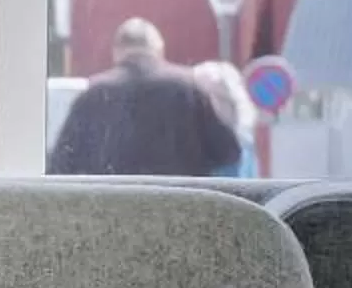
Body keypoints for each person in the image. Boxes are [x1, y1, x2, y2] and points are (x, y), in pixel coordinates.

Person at [46, 19, 245, 177]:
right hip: (180, 209)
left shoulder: (94, 94)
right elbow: (228, 153)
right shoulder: (189, 88)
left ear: (117, 53)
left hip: (113, 211)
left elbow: (62, 163)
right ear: (159, 49)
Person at [192, 60, 261, 178]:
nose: (211, 106)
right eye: (202, 100)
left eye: (219, 99)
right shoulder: (185, 145)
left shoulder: (244, 143)